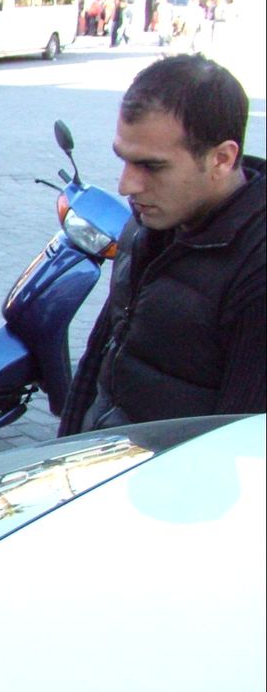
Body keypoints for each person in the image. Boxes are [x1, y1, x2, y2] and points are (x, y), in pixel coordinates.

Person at [59, 54, 265, 436]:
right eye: (124, 160)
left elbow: (241, 442)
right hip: (99, 464)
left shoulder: (256, 270)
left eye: (152, 166)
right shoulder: (149, 221)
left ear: (221, 159)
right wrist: (65, 449)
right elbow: (101, 353)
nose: (126, 186)